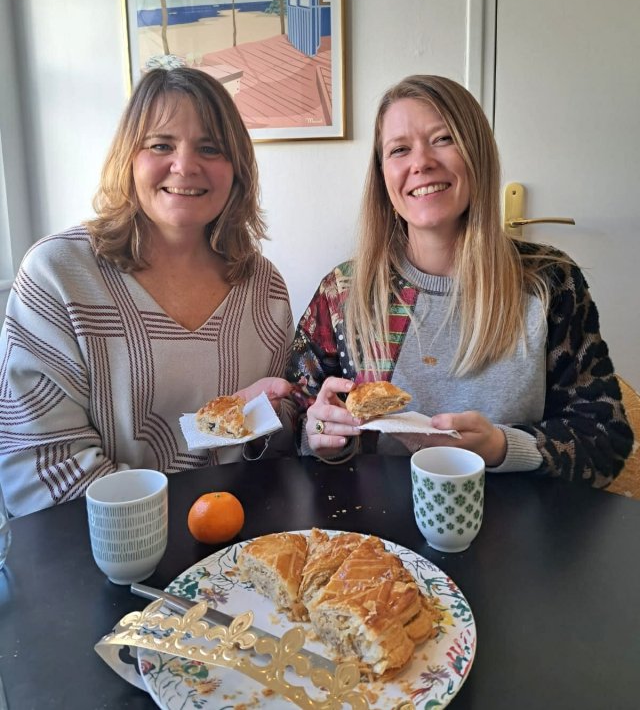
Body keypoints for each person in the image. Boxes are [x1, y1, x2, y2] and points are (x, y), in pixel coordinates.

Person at [287, 74, 632, 485]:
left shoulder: (550, 282)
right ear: (382, 175)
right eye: (399, 149)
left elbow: (605, 441)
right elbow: (294, 433)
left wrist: (501, 447)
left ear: (478, 154)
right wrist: (318, 434)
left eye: (443, 138)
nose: (421, 163)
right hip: (374, 537)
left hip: (518, 532)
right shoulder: (342, 294)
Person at [0, 68, 293, 517]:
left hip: (235, 547)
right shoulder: (57, 276)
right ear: (128, 158)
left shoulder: (264, 288)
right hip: (101, 556)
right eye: (161, 145)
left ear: (236, 168)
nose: (185, 165)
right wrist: (186, 516)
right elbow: (41, 473)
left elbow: (273, 458)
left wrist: (264, 424)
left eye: (210, 148)